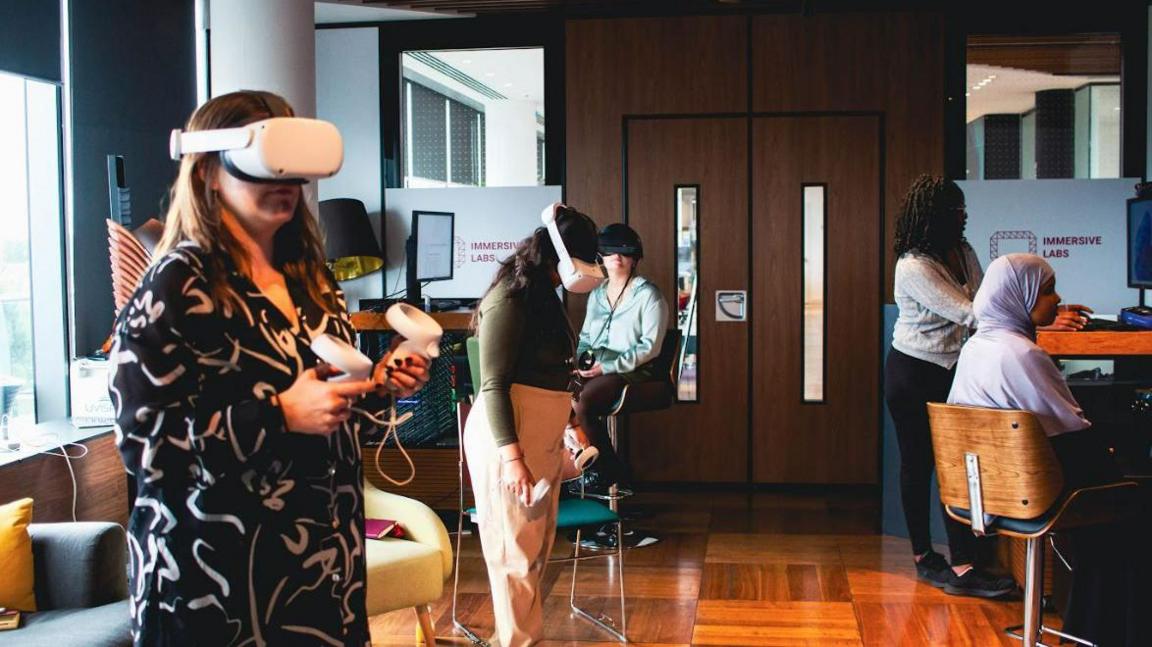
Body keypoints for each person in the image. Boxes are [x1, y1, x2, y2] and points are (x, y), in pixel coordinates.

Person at [108, 90, 429, 646]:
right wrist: (278, 414)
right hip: (216, 582)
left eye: (295, 166)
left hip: (320, 571)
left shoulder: (309, 280)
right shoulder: (177, 285)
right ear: (209, 170)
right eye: (266, 161)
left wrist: (376, 386)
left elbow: (325, 403)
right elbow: (146, 447)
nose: (285, 182)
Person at [885, 175, 1090, 599]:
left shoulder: (963, 250)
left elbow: (991, 299)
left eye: (963, 209)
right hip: (914, 371)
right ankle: (931, 558)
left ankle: (966, 559)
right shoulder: (913, 265)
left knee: (960, 464)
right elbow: (973, 312)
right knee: (918, 463)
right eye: (955, 210)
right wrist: (1043, 314)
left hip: (956, 367)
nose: (963, 216)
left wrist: (1039, 308)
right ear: (933, 215)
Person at [948, 253, 1148, 646]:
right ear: (1019, 297)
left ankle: (1086, 629)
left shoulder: (974, 349)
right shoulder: (1024, 354)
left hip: (990, 495)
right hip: (1039, 495)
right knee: (1134, 503)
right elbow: (1077, 435)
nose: (1057, 300)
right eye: (1048, 291)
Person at [464, 205, 600, 647]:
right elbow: (494, 386)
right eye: (586, 256)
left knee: (535, 552)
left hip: (542, 434)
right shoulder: (509, 298)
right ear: (558, 252)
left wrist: (572, 423)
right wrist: (513, 459)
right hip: (509, 437)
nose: (593, 267)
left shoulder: (547, 297)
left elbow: (555, 373)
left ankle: (525, 638)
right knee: (513, 557)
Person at [572, 223, 669, 494]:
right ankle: (583, 469)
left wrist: (609, 366)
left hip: (634, 369)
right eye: (610, 250)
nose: (617, 256)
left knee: (584, 402)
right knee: (562, 394)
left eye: (624, 251)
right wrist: (583, 363)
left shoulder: (648, 295)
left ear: (635, 258)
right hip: (599, 368)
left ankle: (609, 473)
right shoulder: (597, 294)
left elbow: (650, 347)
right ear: (600, 256)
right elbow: (586, 338)